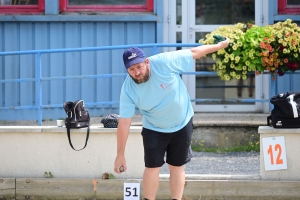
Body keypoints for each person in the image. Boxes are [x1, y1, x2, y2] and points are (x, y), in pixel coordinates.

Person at [114, 38, 230, 200]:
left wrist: (219, 46)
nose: (137, 72)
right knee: (152, 167)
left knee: (177, 166)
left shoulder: (164, 62)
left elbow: (195, 52)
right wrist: (120, 154)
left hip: (181, 123)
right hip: (154, 128)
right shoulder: (128, 89)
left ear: (147, 62)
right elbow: (124, 122)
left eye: (139, 66)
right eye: (132, 69)